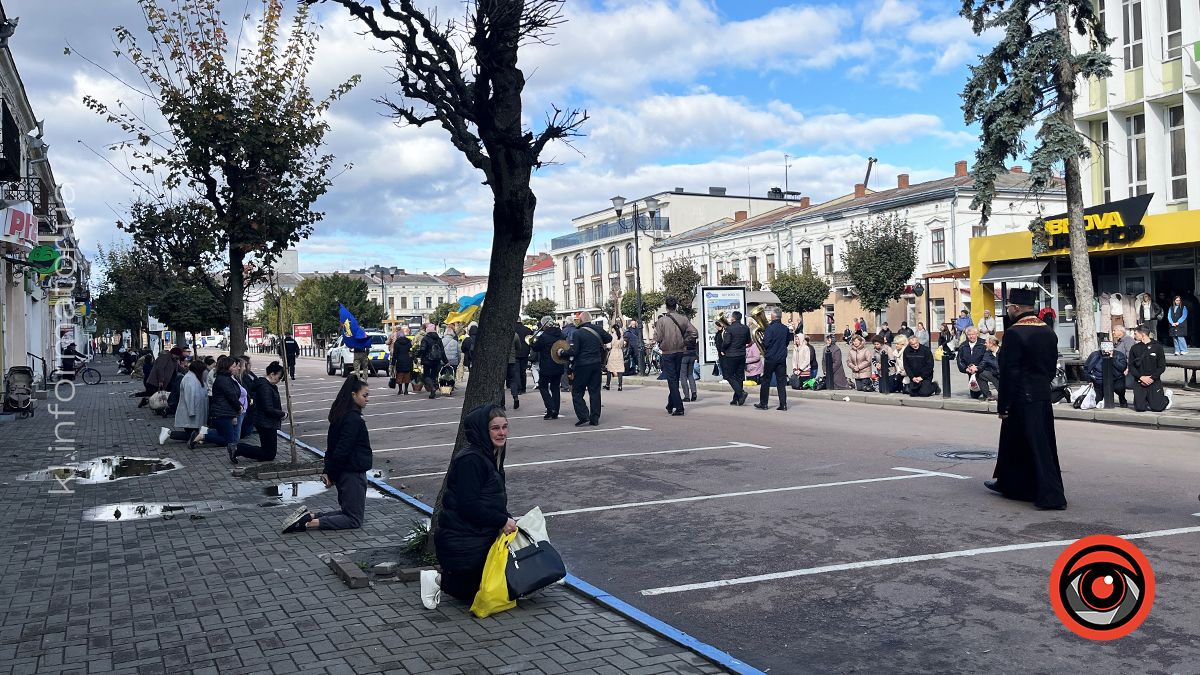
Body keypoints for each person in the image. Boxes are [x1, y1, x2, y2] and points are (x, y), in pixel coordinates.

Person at [421, 404, 516, 610]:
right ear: (483, 430)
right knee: (474, 590)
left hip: (477, 534)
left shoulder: (491, 456)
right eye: (495, 428)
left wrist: (507, 519)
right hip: (462, 539)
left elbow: (491, 499)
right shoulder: (471, 460)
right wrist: (502, 520)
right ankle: (436, 580)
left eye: (504, 427)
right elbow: (468, 505)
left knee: (500, 585)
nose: (502, 433)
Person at [985, 288, 1066, 510]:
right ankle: (1011, 484)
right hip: (1040, 394)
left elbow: (1010, 372)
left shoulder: (1014, 333)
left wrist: (1004, 405)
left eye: (1010, 307)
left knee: (1034, 445)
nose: (1009, 310)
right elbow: (1051, 368)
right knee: (1020, 443)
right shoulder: (1047, 331)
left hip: (1021, 396)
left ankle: (1051, 496)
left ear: (1017, 308)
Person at [281, 376, 373, 533]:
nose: (367, 400)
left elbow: (332, 447)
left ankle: (310, 516)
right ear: (353, 395)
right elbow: (342, 450)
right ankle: (307, 523)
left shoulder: (340, 415)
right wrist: (331, 474)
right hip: (352, 473)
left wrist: (329, 472)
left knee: (350, 514)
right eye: (364, 395)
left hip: (346, 472)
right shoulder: (353, 419)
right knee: (353, 520)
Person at [557, 311, 611, 426]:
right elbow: (609, 338)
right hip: (596, 364)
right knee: (595, 391)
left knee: (577, 392)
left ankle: (583, 415)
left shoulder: (578, 333)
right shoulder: (597, 329)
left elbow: (574, 351)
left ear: (581, 320)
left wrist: (562, 352)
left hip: (582, 365)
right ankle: (594, 418)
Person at [233, 361, 288, 463]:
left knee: (268, 451)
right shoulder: (265, 387)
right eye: (279, 377)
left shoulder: (267, 385)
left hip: (266, 421)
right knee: (269, 453)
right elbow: (268, 408)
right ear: (272, 374)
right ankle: (237, 448)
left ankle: (238, 448)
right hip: (266, 422)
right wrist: (282, 414)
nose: (279, 380)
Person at [188, 356, 242, 457]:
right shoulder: (224, 380)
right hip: (222, 412)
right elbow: (231, 396)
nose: (237, 368)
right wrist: (239, 407)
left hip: (224, 411)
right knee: (228, 439)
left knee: (224, 436)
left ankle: (202, 434)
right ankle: (202, 436)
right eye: (234, 366)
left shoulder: (226, 378)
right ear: (228, 367)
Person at [653, 296, 699, 416]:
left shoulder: (661, 321)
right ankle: (670, 404)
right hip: (680, 351)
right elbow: (694, 332)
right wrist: (684, 341)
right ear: (676, 306)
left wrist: (660, 341)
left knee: (672, 380)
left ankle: (679, 407)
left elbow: (657, 338)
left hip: (667, 352)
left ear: (666, 306)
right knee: (675, 379)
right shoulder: (683, 319)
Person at [159, 360, 209, 445]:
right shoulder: (190, 379)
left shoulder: (196, 378)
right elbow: (189, 396)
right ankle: (169, 433)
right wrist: (191, 411)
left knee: (193, 433)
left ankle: (169, 433)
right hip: (191, 411)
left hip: (195, 410)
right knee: (192, 434)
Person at [753, 307, 791, 411]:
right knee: (781, 382)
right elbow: (787, 342)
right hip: (781, 358)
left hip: (770, 358)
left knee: (766, 380)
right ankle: (783, 405)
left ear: (773, 316)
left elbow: (766, 343)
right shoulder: (785, 329)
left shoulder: (769, 329)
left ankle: (764, 403)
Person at [1128, 323, 1168, 412]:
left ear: (1143, 334)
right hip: (1140, 380)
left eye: (1136, 333)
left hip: (1153, 380)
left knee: (1158, 408)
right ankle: (1146, 400)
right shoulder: (1134, 348)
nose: (1134, 335)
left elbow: (1161, 366)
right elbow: (1131, 366)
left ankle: (1166, 398)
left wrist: (1152, 378)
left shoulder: (1157, 347)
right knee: (1140, 408)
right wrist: (1141, 377)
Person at [531, 316, 565, 419]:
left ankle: (550, 408)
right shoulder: (561, 334)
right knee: (555, 388)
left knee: (543, 386)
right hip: (558, 364)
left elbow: (536, 348)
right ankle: (556, 411)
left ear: (544, 325)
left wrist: (532, 343)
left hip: (546, 366)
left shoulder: (544, 336)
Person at [721, 311, 751, 405]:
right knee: (739, 376)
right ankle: (737, 399)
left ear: (733, 318)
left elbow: (727, 342)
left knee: (728, 375)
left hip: (731, 355)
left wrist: (722, 349)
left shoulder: (729, 329)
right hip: (742, 355)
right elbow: (748, 341)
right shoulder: (745, 328)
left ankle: (741, 393)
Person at [957, 327, 991, 400]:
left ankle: (987, 393)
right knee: (974, 395)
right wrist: (965, 368)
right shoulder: (963, 345)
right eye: (969, 335)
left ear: (977, 334)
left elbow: (986, 358)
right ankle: (979, 391)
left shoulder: (983, 343)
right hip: (970, 371)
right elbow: (959, 360)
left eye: (973, 334)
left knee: (983, 387)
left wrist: (977, 368)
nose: (971, 336)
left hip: (981, 369)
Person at [418, 323, 445, 398]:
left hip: (427, 360)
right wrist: (446, 361)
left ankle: (432, 388)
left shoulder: (425, 339)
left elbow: (422, 349)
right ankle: (433, 388)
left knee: (425, 376)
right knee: (433, 376)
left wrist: (417, 355)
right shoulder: (438, 339)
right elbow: (442, 351)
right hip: (436, 360)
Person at [391, 326, 414, 395]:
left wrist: (393, 362)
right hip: (408, 360)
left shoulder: (396, 343)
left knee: (400, 376)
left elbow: (395, 354)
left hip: (399, 361)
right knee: (407, 376)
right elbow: (411, 352)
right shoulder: (408, 342)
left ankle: (400, 390)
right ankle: (406, 390)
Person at [604, 322, 625, 392]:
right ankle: (620, 386)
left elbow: (609, 345)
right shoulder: (621, 336)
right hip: (619, 353)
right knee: (620, 370)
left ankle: (607, 385)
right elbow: (623, 345)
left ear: (613, 329)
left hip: (613, 353)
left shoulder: (612, 336)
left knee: (610, 369)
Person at [680, 327, 698, 402]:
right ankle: (694, 393)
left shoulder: (681, 334)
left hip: (684, 355)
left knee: (683, 376)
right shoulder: (693, 334)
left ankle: (686, 396)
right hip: (692, 354)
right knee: (690, 374)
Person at [514, 321, 533, 394]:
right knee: (523, 371)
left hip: (516, 352)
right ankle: (523, 388)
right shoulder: (527, 329)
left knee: (516, 371)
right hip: (525, 352)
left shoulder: (513, 329)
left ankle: (519, 389)